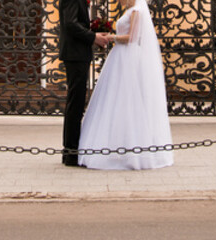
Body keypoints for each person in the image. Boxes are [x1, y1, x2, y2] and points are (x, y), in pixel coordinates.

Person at [78, 0, 173, 170]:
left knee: (126, 100)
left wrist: (110, 37)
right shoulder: (129, 11)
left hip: (127, 57)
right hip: (120, 56)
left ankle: (130, 149)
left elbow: (133, 38)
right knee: (115, 100)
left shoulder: (137, 11)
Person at [59, 0, 111, 167]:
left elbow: (76, 23)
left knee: (77, 102)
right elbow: (70, 24)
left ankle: (71, 150)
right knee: (75, 103)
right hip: (75, 54)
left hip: (78, 54)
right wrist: (93, 37)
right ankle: (71, 151)